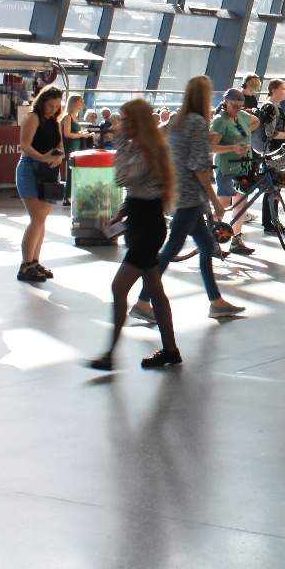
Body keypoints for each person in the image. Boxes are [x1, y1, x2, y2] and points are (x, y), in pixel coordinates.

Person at [128, 76, 243, 319]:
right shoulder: (198, 123)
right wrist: (213, 200)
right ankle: (142, 301)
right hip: (191, 197)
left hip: (179, 191)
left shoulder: (177, 121)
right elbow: (199, 166)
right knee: (171, 249)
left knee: (205, 245)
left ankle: (216, 300)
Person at [88, 99, 181, 371]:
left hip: (147, 228)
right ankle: (170, 349)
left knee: (119, 288)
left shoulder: (146, 150)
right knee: (155, 290)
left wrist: (119, 146)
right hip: (141, 221)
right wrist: (121, 212)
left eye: (126, 121)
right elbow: (136, 190)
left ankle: (109, 354)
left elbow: (123, 178)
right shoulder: (141, 147)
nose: (120, 125)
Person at [15, 85, 64, 283]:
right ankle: (26, 265)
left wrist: (58, 157)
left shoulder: (56, 122)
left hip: (49, 170)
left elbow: (60, 146)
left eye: (57, 106)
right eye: (50, 106)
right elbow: (25, 146)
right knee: (37, 218)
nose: (53, 110)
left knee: (42, 219)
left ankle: (34, 262)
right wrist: (43, 158)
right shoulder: (33, 117)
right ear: (42, 102)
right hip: (30, 169)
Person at [209, 88, 258, 257]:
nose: (237, 108)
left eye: (240, 105)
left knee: (241, 202)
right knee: (223, 204)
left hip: (243, 166)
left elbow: (256, 121)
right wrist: (232, 147)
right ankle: (212, 240)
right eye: (234, 105)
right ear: (226, 103)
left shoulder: (242, 116)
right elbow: (211, 147)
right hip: (226, 167)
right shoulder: (219, 121)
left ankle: (236, 239)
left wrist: (245, 135)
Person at [255, 79, 285, 232]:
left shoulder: (275, 107)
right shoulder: (271, 108)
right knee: (272, 188)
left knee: (275, 189)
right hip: (274, 155)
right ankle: (270, 222)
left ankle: (273, 221)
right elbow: (270, 134)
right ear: (274, 90)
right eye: (283, 88)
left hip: (277, 155)